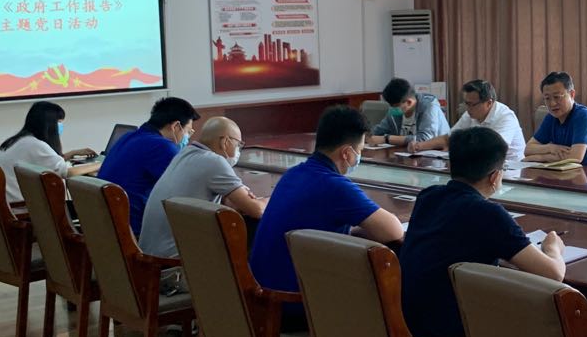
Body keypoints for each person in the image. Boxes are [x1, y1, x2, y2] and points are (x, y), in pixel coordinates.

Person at [398, 126, 565, 337]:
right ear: (495, 176)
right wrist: (553, 248)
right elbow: (554, 274)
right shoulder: (488, 213)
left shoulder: (429, 196)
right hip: (451, 335)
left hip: (409, 324)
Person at [250, 105, 405, 322]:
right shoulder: (335, 186)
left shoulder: (293, 174)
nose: (359, 157)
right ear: (346, 153)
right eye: (360, 150)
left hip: (261, 299)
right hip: (295, 304)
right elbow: (393, 231)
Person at [137, 116, 266, 271]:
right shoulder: (214, 161)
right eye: (238, 144)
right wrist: (271, 198)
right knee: (255, 235)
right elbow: (257, 210)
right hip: (174, 269)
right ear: (225, 142)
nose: (239, 149)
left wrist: (237, 200)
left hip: (149, 261)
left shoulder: (185, 154)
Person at [96, 96, 200, 235]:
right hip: (136, 231)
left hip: (108, 228)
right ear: (176, 126)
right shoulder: (163, 147)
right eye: (188, 131)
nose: (188, 137)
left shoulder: (127, 137)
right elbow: (187, 191)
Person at [0, 100, 98, 204]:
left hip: (10, 203)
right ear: (49, 124)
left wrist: (72, 153)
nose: (61, 126)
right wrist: (101, 164)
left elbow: (46, 162)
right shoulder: (35, 145)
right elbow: (66, 172)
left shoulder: (21, 140)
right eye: (59, 122)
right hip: (22, 207)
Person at [408, 79, 525, 161]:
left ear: (489, 103)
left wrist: (458, 147)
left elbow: (496, 149)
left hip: (509, 169)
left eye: (472, 104)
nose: (468, 109)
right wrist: (419, 146)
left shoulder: (505, 117)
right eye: (466, 104)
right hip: (479, 165)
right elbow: (448, 138)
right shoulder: (470, 114)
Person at [523, 71, 587, 166]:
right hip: (567, 172)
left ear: (572, 94)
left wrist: (540, 158)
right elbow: (528, 149)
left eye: (557, 97)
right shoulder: (551, 117)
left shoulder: (584, 115)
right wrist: (550, 148)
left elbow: (575, 158)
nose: (552, 103)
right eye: (547, 98)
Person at [369, 77, 450, 148]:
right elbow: (378, 131)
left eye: (395, 106)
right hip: (406, 153)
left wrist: (387, 139)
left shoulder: (429, 107)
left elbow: (425, 139)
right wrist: (366, 135)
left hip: (436, 153)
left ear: (409, 102)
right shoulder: (395, 111)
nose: (392, 109)